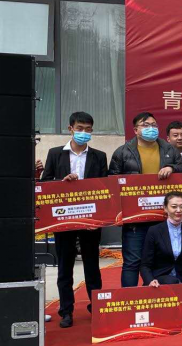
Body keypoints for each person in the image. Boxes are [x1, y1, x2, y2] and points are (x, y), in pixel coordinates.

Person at [40, 112, 108, 328]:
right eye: (80, 128)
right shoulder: (55, 154)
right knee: (65, 266)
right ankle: (66, 311)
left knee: (92, 265)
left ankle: (96, 306)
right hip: (64, 219)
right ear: (70, 128)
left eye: (88, 129)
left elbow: (105, 187)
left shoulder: (99, 156)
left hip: (90, 219)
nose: (84, 132)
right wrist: (62, 181)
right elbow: (46, 183)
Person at [109, 111, 182, 288]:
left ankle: (153, 298)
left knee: (159, 261)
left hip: (162, 216)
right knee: (132, 262)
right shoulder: (122, 152)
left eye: (154, 125)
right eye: (145, 125)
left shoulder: (169, 149)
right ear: (135, 130)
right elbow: (112, 183)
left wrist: (172, 167)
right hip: (134, 219)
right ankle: (129, 299)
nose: (151, 128)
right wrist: (117, 214)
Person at [140, 192, 182, 286]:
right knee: (171, 281)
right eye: (174, 207)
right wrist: (150, 281)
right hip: (158, 282)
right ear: (165, 208)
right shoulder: (154, 231)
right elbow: (145, 265)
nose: (178, 210)